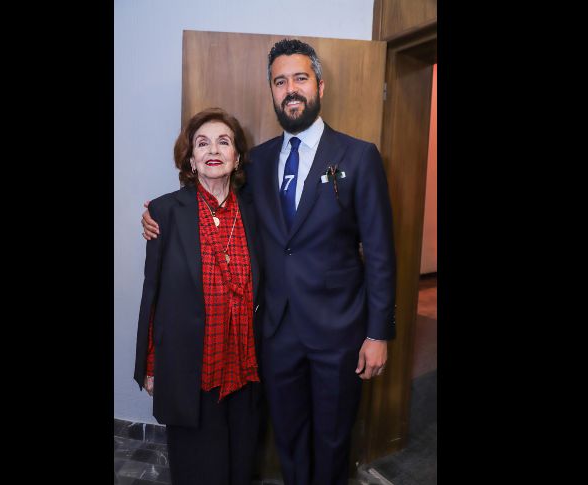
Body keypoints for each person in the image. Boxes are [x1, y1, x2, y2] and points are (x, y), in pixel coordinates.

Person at [142, 39, 396, 485]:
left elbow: (379, 253)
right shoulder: (256, 163)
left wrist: (378, 332)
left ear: (321, 85)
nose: (290, 89)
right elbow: (211, 209)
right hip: (274, 334)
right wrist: (153, 217)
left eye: (300, 78)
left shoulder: (358, 157)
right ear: (272, 92)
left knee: (334, 439)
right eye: (280, 81)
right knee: (288, 438)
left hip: (338, 333)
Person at [133, 107, 264, 485]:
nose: (213, 150)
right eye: (202, 143)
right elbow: (152, 293)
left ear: (236, 156)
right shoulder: (164, 212)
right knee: (196, 469)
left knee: (240, 465)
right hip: (191, 368)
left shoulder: (255, 212)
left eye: (224, 142)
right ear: (191, 158)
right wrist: (151, 364)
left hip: (245, 367)